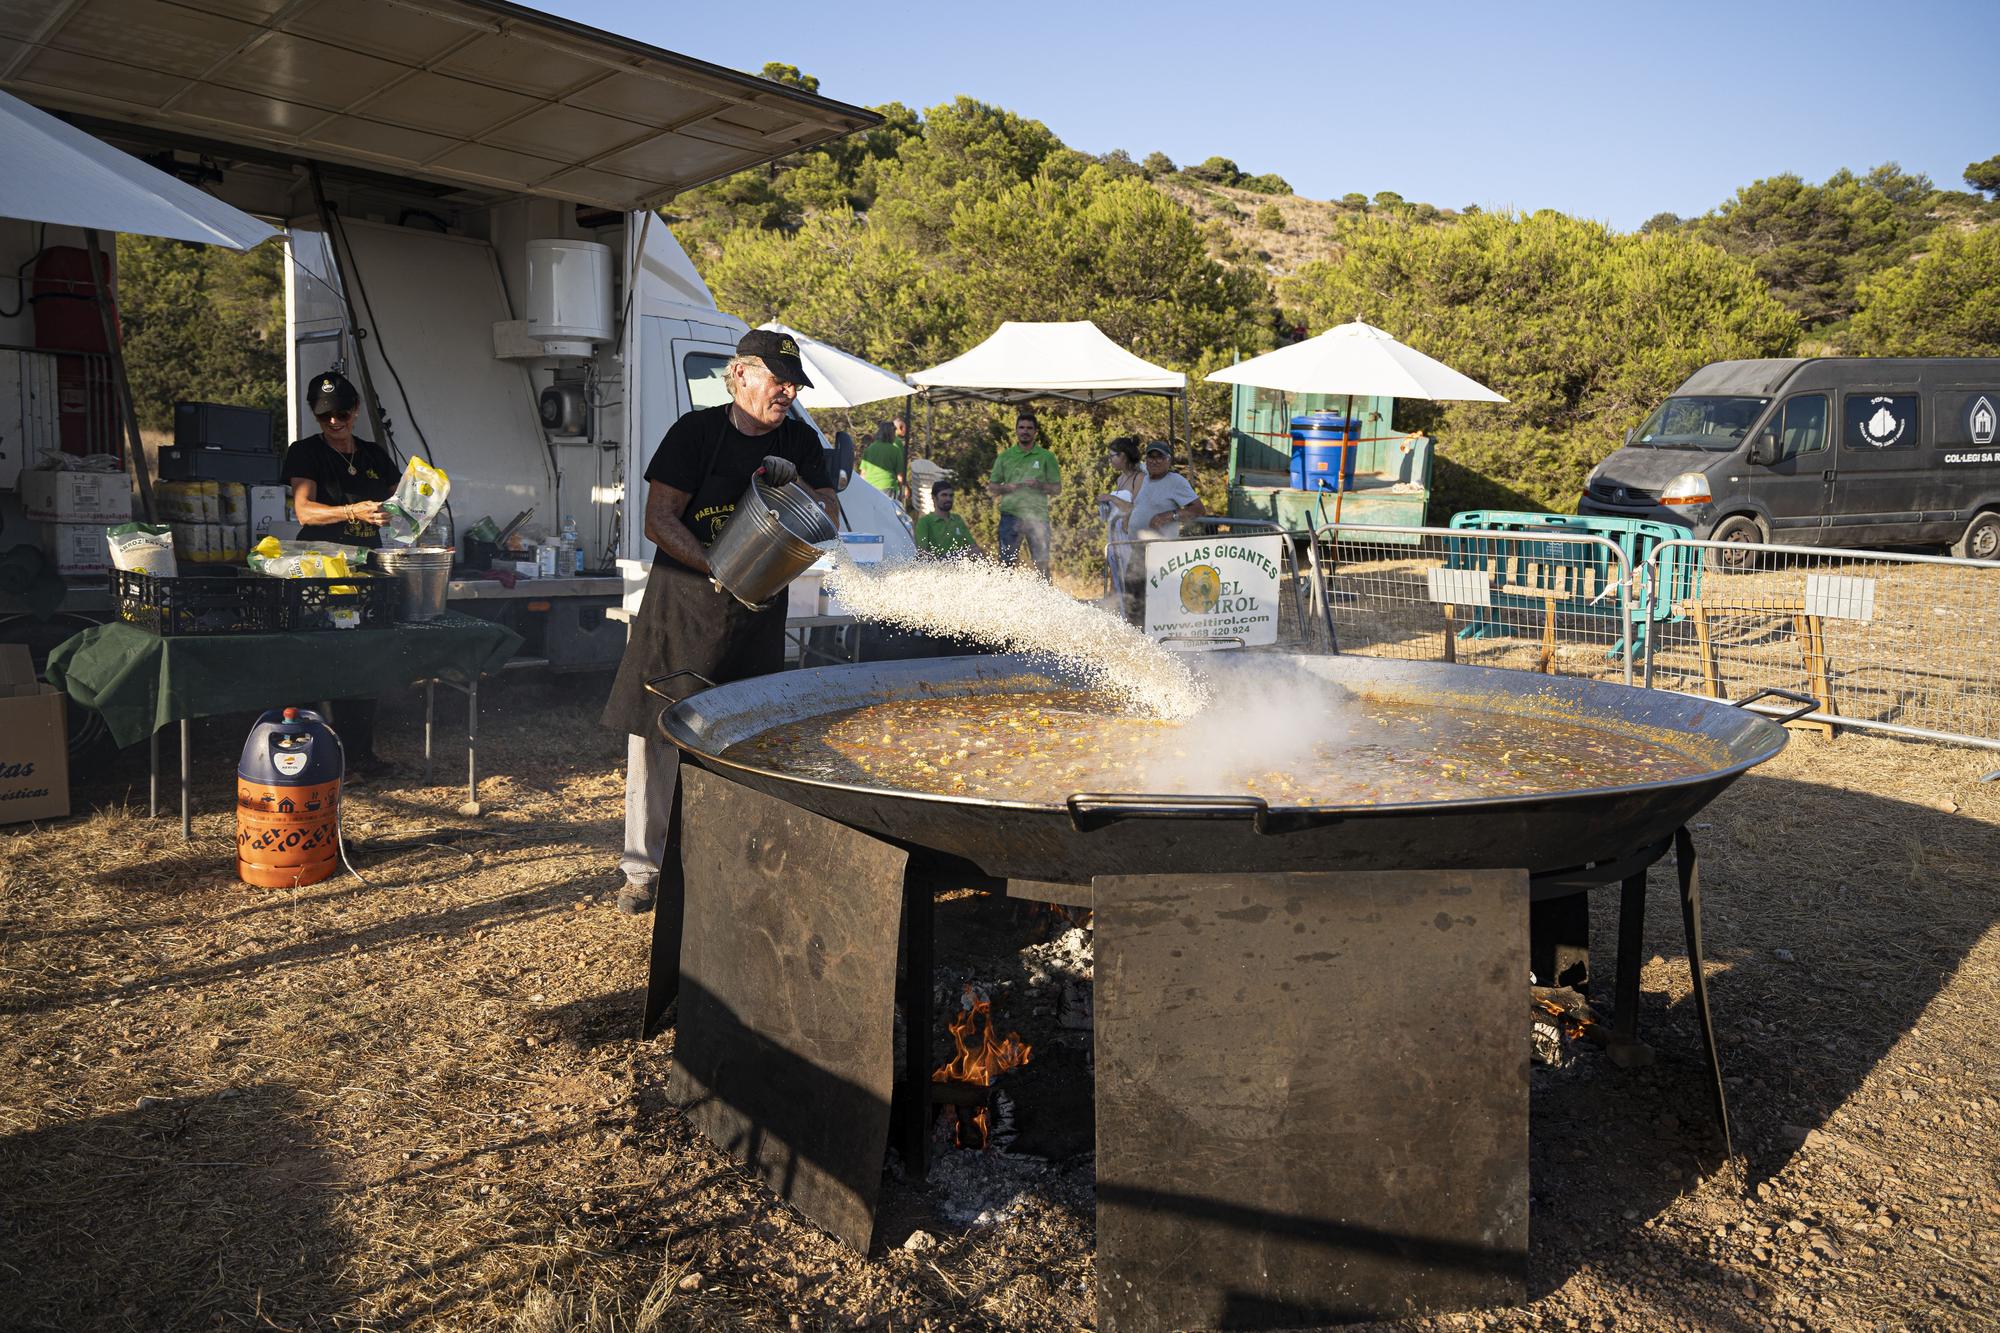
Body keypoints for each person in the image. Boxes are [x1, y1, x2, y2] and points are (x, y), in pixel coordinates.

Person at [601, 329, 836, 916]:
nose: (787, 392)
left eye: (793, 384)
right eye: (777, 380)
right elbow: (659, 519)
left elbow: (828, 517)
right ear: (739, 376)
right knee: (656, 737)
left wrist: (798, 483)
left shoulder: (801, 440)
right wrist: (714, 564)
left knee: (746, 739)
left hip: (755, 617)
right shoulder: (696, 433)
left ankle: (730, 856)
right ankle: (642, 869)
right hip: (682, 607)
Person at [281, 371, 396, 775]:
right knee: (320, 662)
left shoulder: (374, 455)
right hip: (320, 574)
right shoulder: (305, 452)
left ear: (357, 411)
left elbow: (400, 508)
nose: (334, 422)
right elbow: (304, 511)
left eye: (341, 412)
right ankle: (316, 759)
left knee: (364, 662)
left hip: (366, 574)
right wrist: (352, 510)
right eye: (324, 415)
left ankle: (362, 756)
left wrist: (422, 518)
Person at [1121, 443, 1206, 620]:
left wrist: (1170, 515)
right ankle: (1133, 637)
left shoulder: (1176, 481)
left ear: (1169, 460)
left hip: (1161, 552)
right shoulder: (1145, 478)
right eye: (1151, 457)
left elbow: (1198, 510)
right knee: (1131, 595)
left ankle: (1154, 639)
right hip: (1139, 548)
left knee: (1154, 599)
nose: (1155, 461)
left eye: (1160, 457)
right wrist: (1130, 515)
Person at [987, 410, 1061, 577]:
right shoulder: (1005, 456)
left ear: (1035, 432)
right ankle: (1007, 600)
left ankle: (1046, 600)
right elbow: (992, 487)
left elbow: (1057, 489)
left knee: (1041, 563)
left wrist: (1040, 485)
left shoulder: (1046, 457)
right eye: (1021, 427)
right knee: (1006, 564)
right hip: (1010, 515)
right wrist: (1007, 488)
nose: (1025, 431)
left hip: (1038, 517)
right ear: (1016, 430)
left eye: (1029, 428)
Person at [1099, 436, 1144, 613]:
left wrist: (1110, 497)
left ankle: (1132, 615)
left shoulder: (1139, 478)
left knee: (1128, 577)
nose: (1110, 460)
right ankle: (1118, 612)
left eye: (1112, 456)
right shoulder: (1120, 479)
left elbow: (1135, 507)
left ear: (1123, 456)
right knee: (1115, 576)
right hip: (1114, 534)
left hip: (1128, 535)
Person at [913, 480, 976, 557]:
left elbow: (974, 548)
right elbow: (923, 553)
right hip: (937, 567)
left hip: (960, 567)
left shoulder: (957, 519)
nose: (948, 499)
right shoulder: (924, 522)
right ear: (934, 497)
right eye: (944, 495)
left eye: (951, 495)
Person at [857, 416, 907, 503]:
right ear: (891, 433)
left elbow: (863, 474)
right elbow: (900, 476)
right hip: (887, 486)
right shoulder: (895, 450)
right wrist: (905, 487)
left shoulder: (869, 449)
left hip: (870, 487)